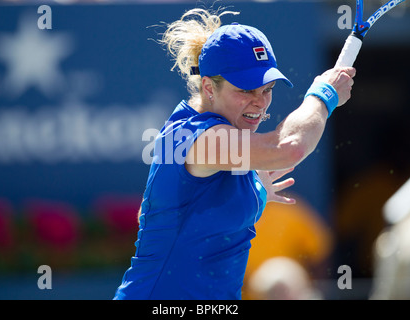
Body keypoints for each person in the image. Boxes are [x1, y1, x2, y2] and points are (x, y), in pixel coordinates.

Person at [113, 7, 355, 300]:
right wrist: (323, 95)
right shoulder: (192, 135)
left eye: (266, 90)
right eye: (245, 90)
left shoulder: (224, 150)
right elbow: (290, 147)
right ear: (208, 87)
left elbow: (155, 216)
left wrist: (254, 196)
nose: (259, 103)